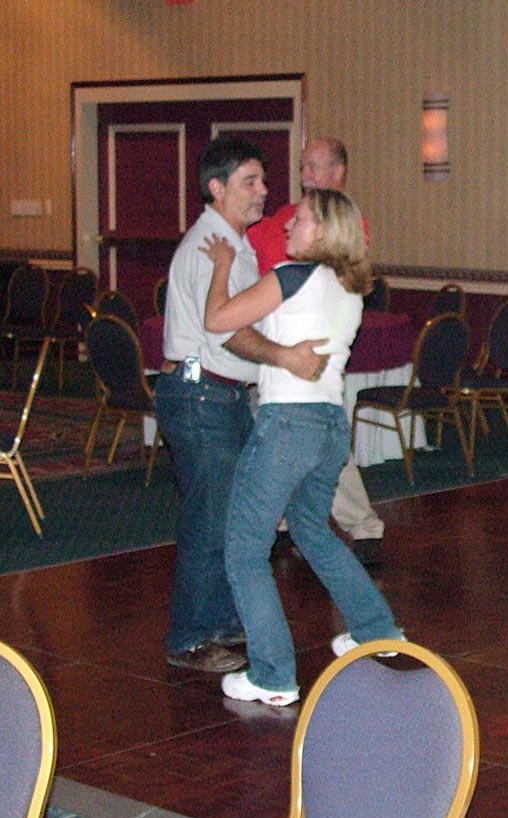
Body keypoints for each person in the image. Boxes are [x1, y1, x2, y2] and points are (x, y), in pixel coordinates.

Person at [203, 188, 406, 707]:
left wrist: (222, 266)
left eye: (301, 218)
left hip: (288, 425)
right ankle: (376, 628)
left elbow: (219, 320)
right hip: (329, 426)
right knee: (312, 530)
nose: (289, 224)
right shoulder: (350, 291)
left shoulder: (291, 277)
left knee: (244, 549)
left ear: (324, 230)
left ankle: (273, 676)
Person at [156, 136, 328, 674]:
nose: (263, 191)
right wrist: (284, 357)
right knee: (210, 520)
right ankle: (191, 638)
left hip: (217, 395)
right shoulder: (210, 247)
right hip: (200, 395)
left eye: (262, 180)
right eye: (249, 182)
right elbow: (227, 331)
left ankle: (219, 621)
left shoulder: (233, 243)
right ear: (217, 188)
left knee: (226, 517)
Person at [249, 137, 385, 567]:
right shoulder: (288, 218)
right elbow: (255, 248)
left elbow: (310, 273)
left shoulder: (346, 223)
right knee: (290, 445)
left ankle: (362, 526)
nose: (304, 175)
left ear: (337, 173)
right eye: (302, 167)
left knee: (319, 444)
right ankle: (284, 524)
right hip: (274, 343)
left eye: (313, 166)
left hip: (312, 353)